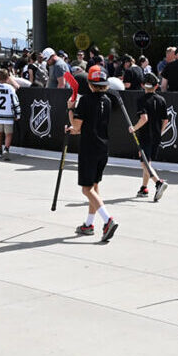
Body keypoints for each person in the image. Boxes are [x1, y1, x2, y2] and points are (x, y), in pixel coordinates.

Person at [66, 64, 118, 241]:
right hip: (103, 148)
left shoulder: (86, 101)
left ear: (90, 84)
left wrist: (70, 109)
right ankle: (89, 224)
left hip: (89, 148)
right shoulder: (108, 101)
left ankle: (107, 219)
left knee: (86, 190)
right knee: (94, 187)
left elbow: (76, 128)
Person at [130, 79, 171, 201]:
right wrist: (160, 133)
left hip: (145, 136)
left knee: (144, 163)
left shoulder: (141, 100)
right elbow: (165, 120)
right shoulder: (161, 100)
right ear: (157, 86)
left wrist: (134, 128)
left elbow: (144, 118)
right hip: (156, 136)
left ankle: (158, 182)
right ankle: (144, 188)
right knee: (148, 163)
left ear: (143, 85)